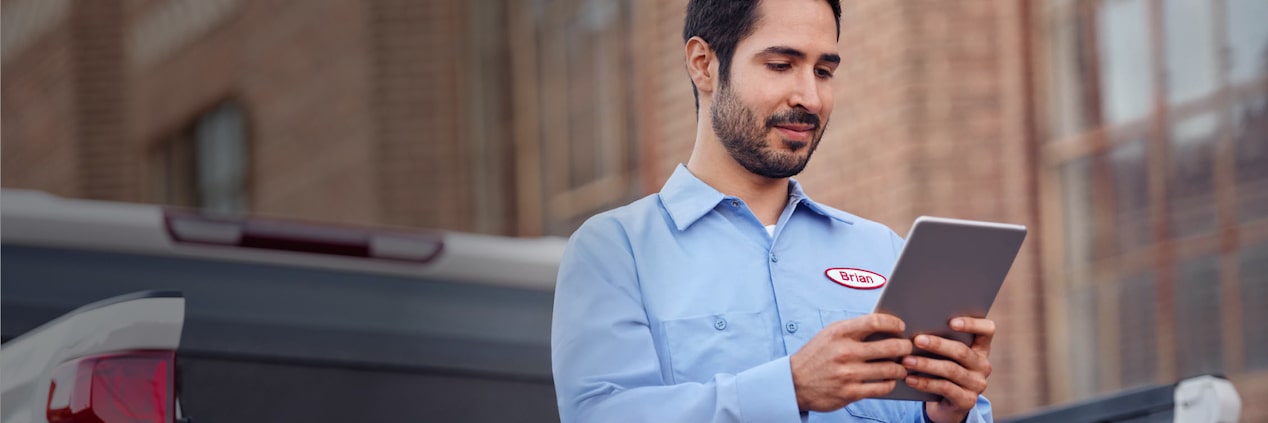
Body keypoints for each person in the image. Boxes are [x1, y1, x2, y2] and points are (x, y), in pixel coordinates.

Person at [551, 0, 996, 421]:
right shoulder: (614, 252)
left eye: (823, 71)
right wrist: (791, 387)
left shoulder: (882, 250)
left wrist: (950, 414)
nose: (811, 98)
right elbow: (599, 415)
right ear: (703, 64)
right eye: (781, 65)